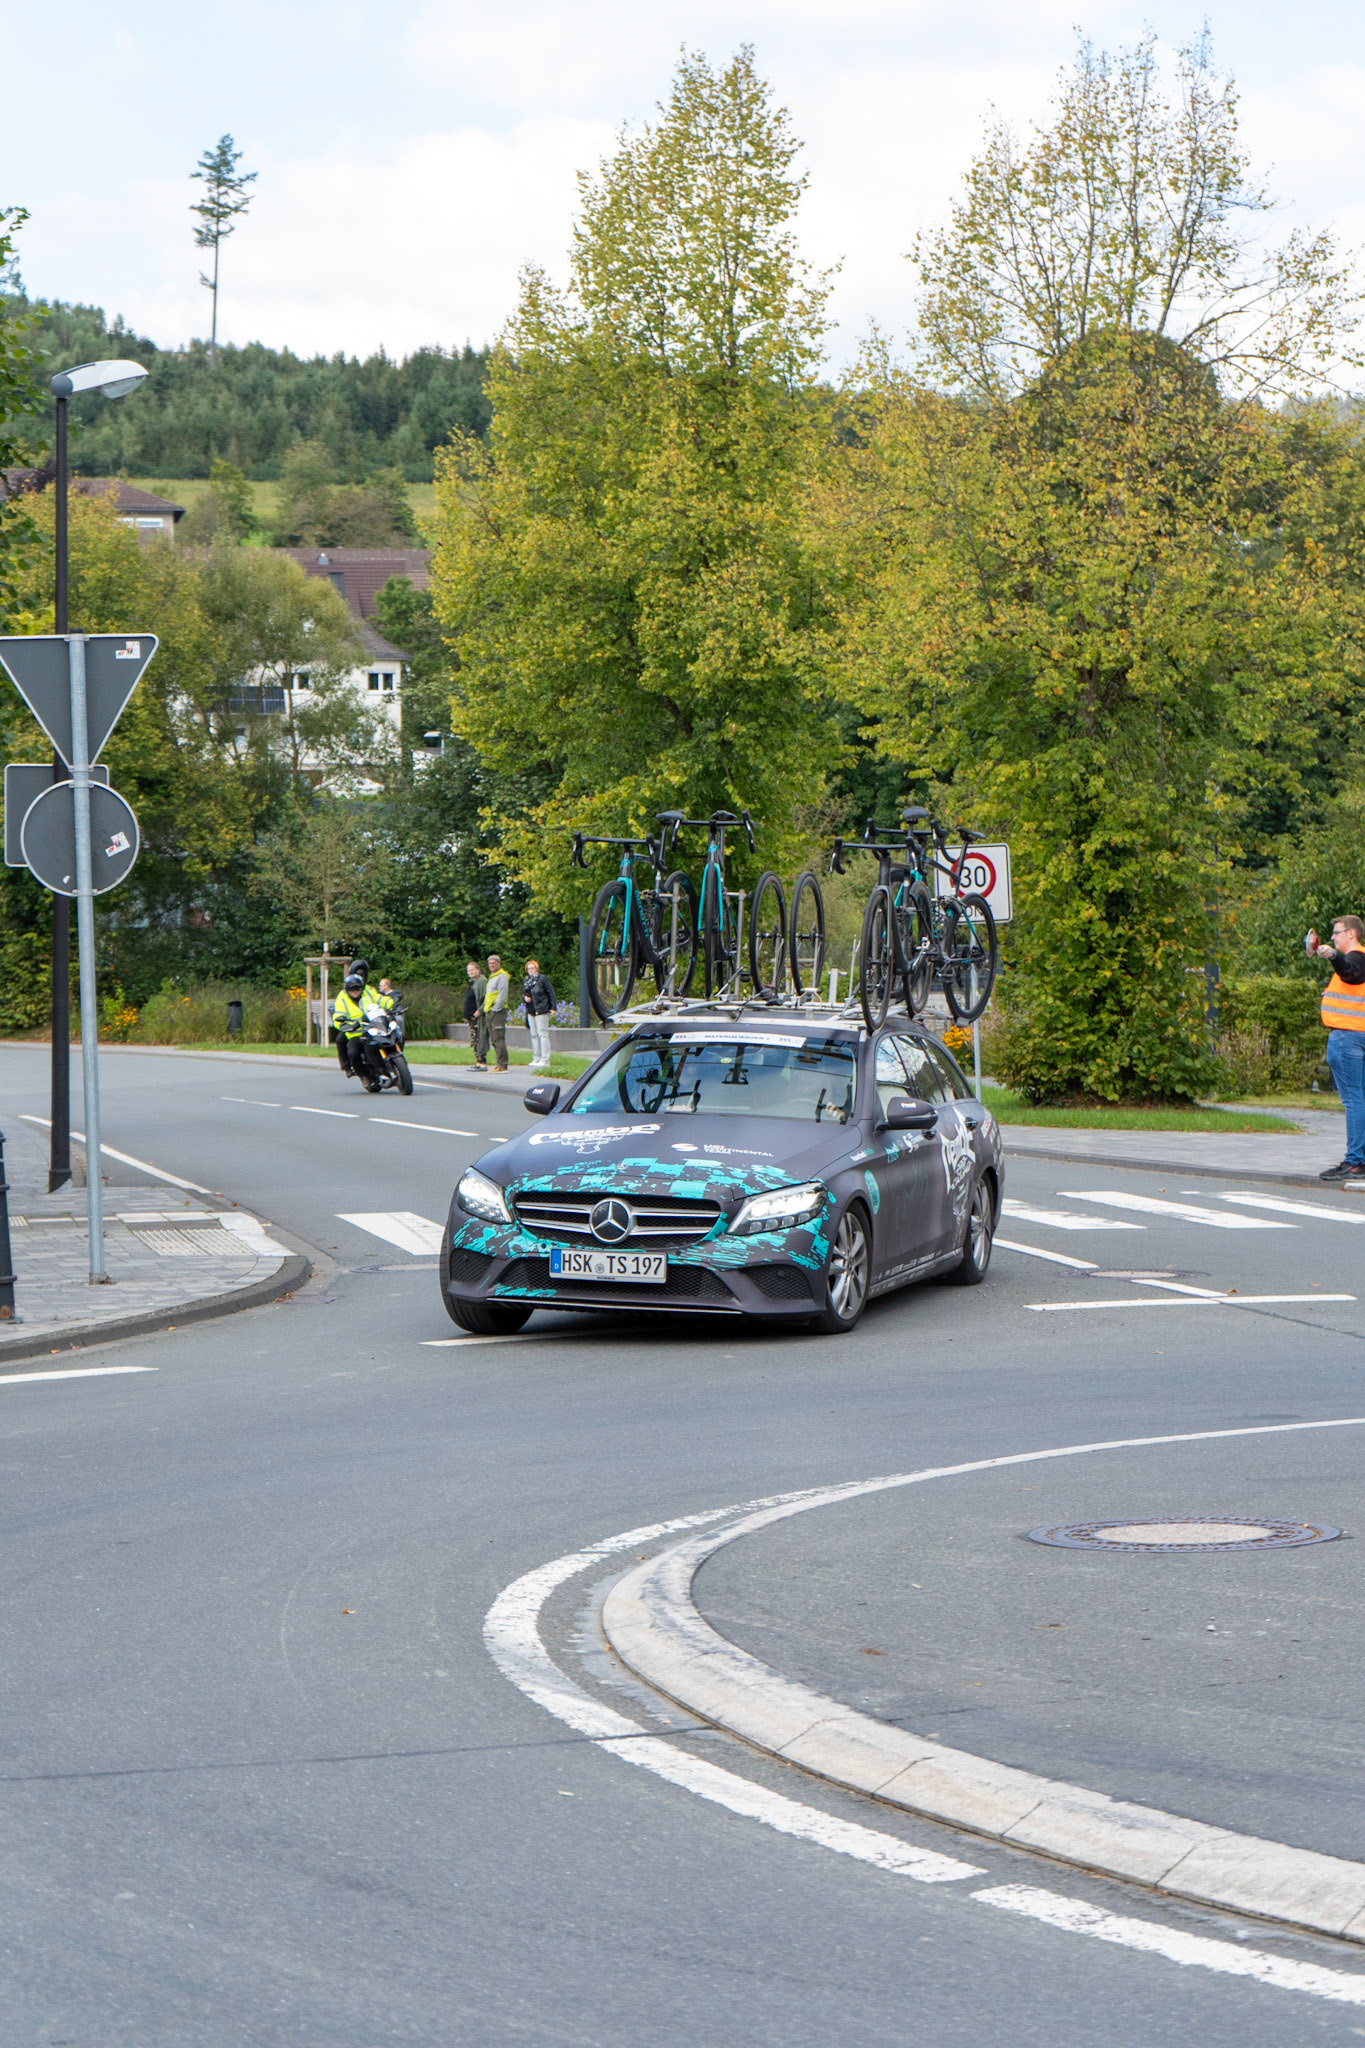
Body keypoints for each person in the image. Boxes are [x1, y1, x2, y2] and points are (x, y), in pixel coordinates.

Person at [1307, 915, 1365, 1182]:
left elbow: (1349, 971)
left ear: (1351, 934)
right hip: (1359, 1035)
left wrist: (1332, 956)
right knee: (1360, 1099)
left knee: (1353, 1100)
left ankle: (1354, 1162)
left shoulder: (1355, 959)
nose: (1332, 937)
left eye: (1336, 932)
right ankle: (1359, 1160)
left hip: (1347, 1037)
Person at [332, 971, 368, 1080]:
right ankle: (351, 1069)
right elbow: (338, 1013)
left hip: (372, 1027)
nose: (355, 991)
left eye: (357, 989)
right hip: (354, 1031)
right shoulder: (343, 998)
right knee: (345, 1045)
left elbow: (380, 1000)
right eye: (353, 989)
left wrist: (391, 1004)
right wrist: (344, 1025)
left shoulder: (368, 993)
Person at [522, 959, 556, 1072]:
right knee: (533, 1034)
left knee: (542, 1033)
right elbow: (524, 993)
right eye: (528, 968)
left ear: (536, 968)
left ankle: (545, 1058)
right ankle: (536, 1057)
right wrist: (525, 998)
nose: (530, 970)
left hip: (541, 1009)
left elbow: (550, 992)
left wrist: (553, 1007)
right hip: (531, 1010)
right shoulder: (526, 980)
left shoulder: (542, 979)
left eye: (532, 968)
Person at [484, 954, 510, 1073]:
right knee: (494, 1039)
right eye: (490, 963)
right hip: (489, 1010)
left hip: (498, 1011)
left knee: (498, 1038)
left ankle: (502, 1065)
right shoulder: (492, 976)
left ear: (499, 963)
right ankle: (498, 1064)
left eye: (494, 963)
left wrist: (496, 1009)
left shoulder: (502, 976)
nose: (491, 965)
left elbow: (502, 994)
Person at [464, 960, 489, 1069]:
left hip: (478, 1017)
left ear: (478, 969)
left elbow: (487, 998)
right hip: (471, 1017)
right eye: (469, 970)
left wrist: (480, 1010)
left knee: (479, 1039)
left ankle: (482, 1063)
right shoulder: (473, 982)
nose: (471, 972)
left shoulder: (482, 981)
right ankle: (478, 1062)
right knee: (475, 1040)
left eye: (472, 970)